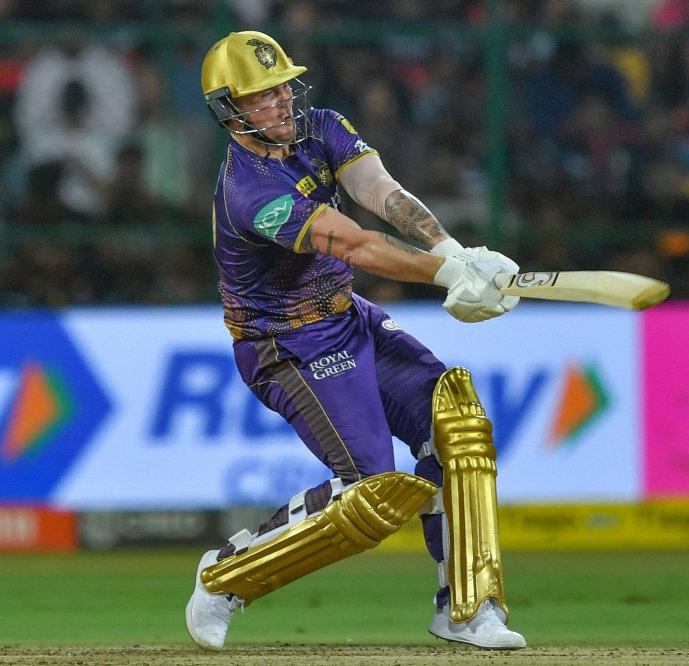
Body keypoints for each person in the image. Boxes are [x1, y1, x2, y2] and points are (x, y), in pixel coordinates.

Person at [183, 31, 526, 651]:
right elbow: (358, 244)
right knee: (370, 492)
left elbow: (381, 193)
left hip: (349, 316)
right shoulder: (250, 193)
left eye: (284, 85)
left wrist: (455, 251)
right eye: (263, 96)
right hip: (285, 343)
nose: (283, 102)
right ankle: (224, 577)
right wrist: (450, 277)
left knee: (457, 426)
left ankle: (468, 607)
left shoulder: (320, 126)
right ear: (229, 110)